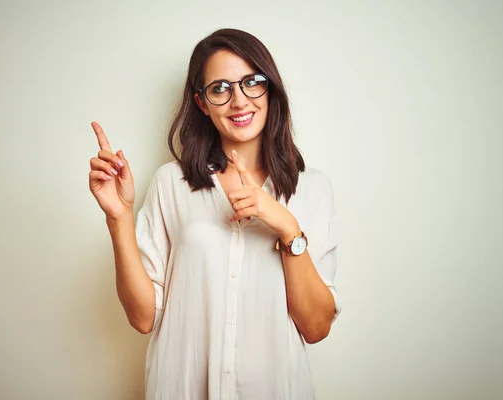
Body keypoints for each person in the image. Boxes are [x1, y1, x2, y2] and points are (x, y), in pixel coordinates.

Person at [88, 28, 340, 400]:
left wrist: (286, 226)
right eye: (220, 88)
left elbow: (316, 327)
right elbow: (143, 318)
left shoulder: (313, 189)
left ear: (269, 90)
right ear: (202, 103)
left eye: (252, 83)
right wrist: (119, 217)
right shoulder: (171, 184)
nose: (239, 100)